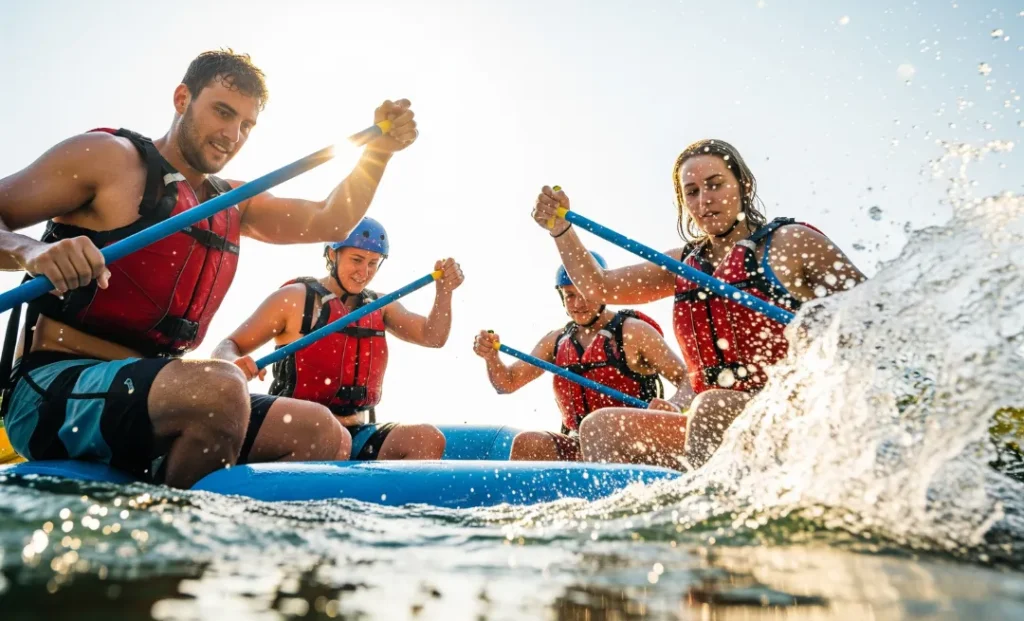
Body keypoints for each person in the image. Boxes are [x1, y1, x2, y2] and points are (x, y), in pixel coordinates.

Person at [0, 49, 419, 488]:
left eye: (246, 125)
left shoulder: (234, 202)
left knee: (321, 432)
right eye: (222, 112)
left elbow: (330, 219)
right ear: (182, 99)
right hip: (51, 388)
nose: (232, 134)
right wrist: (29, 251)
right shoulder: (107, 158)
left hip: (161, 391)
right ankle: (178, 544)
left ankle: (239, 547)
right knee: (218, 388)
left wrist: (379, 154)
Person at [531, 139, 866, 470]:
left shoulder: (790, 243)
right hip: (718, 420)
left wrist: (829, 337)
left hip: (795, 416)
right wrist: (562, 230)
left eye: (715, 185)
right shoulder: (681, 265)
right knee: (602, 427)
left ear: (743, 186)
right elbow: (600, 287)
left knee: (711, 408)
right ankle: (630, 520)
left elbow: (873, 313)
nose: (705, 200)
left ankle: (705, 514)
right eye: (692, 192)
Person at [212, 217, 462, 460]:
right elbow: (227, 346)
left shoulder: (381, 305)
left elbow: (433, 337)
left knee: (427, 439)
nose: (364, 272)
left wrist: (445, 291)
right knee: (333, 438)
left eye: (373, 263)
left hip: (353, 432)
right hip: (293, 429)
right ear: (332, 255)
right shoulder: (295, 299)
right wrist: (234, 363)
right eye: (356, 260)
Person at [472, 251, 692, 461]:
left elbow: (689, 379)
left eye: (585, 293)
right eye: (570, 295)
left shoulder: (633, 332)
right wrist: (491, 358)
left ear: (600, 289)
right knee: (528, 442)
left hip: (634, 443)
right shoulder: (556, 341)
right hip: (581, 442)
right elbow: (507, 383)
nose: (578, 304)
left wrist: (674, 405)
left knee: (599, 434)